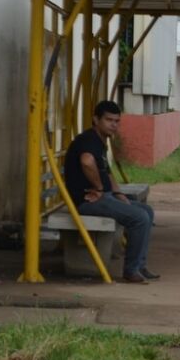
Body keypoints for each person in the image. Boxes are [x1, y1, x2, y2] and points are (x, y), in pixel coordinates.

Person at [63, 101, 158, 284]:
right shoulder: (89, 140)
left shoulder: (100, 141)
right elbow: (87, 161)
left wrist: (119, 194)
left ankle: (140, 265)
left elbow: (106, 171)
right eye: (108, 120)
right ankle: (131, 270)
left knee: (147, 211)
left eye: (117, 121)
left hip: (103, 197)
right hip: (87, 201)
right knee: (139, 218)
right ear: (96, 119)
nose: (113, 124)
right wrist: (99, 188)